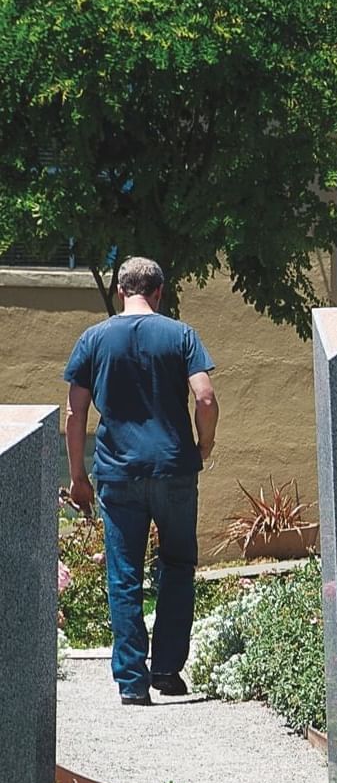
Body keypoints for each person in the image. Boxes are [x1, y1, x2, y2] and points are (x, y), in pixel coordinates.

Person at [64, 257, 218, 705]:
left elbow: (75, 413)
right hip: (174, 468)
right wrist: (202, 445)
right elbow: (205, 396)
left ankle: (131, 681)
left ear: (118, 291)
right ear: (160, 292)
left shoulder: (94, 339)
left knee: (124, 573)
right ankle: (167, 670)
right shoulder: (182, 335)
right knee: (177, 565)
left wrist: (77, 476)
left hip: (118, 472)